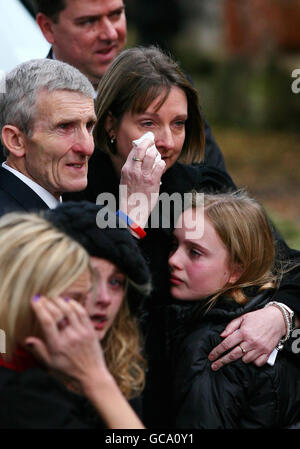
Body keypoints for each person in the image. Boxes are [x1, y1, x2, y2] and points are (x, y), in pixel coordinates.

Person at [65, 45, 300, 426]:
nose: (168, 141)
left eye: (178, 123)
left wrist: (281, 315)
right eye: (148, 123)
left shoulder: (198, 188)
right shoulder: (77, 192)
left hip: (197, 395)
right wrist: (131, 215)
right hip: (109, 399)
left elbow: (287, 264)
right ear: (109, 123)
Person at [0, 209, 150, 428]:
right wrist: (97, 381)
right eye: (85, 284)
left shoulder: (121, 366)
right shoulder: (22, 390)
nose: (104, 298)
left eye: (116, 282)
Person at [32, 0, 226, 169]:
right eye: (89, 21)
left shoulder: (170, 87)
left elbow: (215, 185)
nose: (110, 33)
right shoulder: (24, 104)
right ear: (48, 27)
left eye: (116, 15)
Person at [167, 190, 300, 428]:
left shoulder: (215, 346)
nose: (173, 260)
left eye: (195, 252)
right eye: (174, 245)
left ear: (237, 270)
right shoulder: (269, 308)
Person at [0, 58, 96, 217]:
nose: (87, 147)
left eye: (89, 126)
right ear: (15, 141)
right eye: (64, 127)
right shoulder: (11, 227)